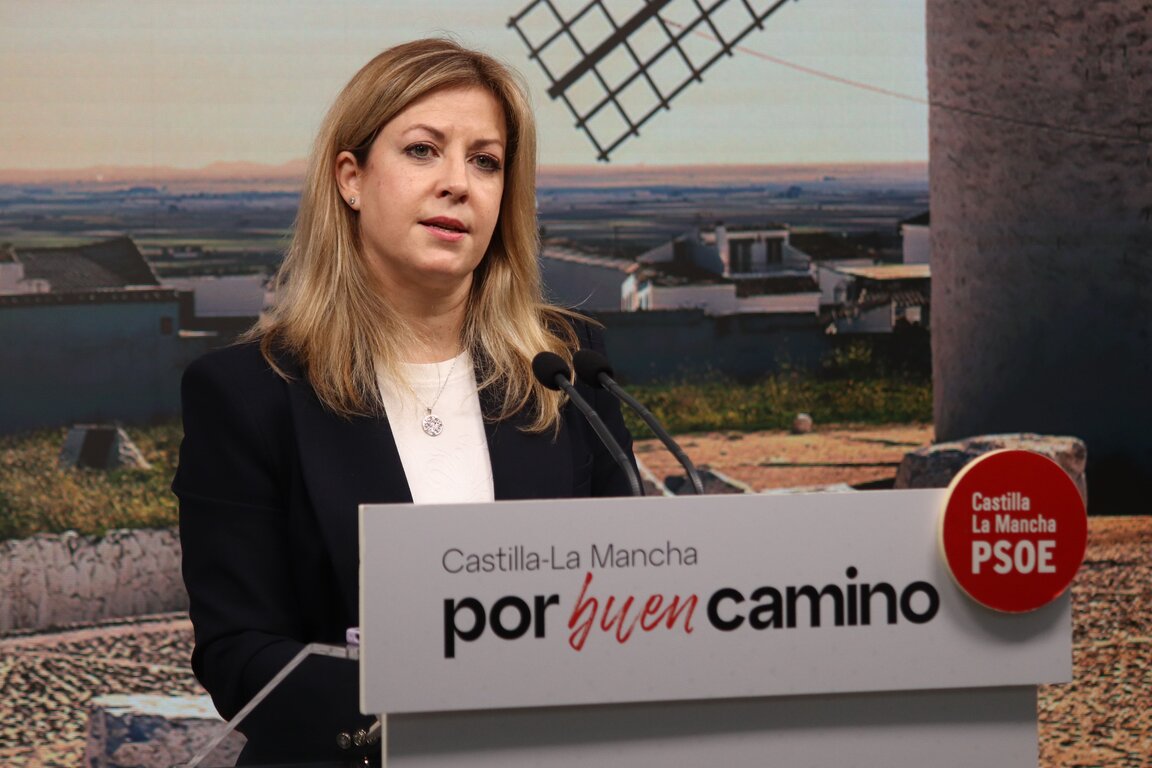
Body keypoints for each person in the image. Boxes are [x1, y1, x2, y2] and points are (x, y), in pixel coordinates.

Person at [173, 38, 637, 765]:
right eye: (423, 151)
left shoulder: (567, 373)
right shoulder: (247, 393)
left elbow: (628, 607)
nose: (458, 184)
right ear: (351, 179)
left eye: (485, 161)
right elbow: (239, 652)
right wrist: (436, 713)